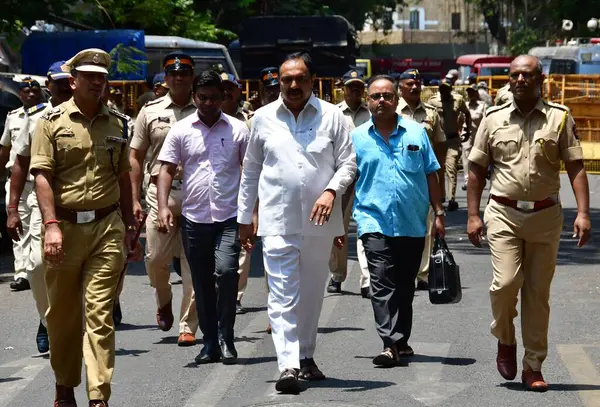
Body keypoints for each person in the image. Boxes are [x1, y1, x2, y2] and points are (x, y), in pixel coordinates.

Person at [467, 55, 591, 392]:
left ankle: (533, 365)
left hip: (546, 216)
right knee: (505, 284)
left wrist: (582, 212)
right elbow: (477, 169)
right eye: (515, 75)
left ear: (541, 78)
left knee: (538, 295)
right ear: (509, 79)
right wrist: (473, 214)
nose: (520, 80)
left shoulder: (559, 118)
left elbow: (576, 165)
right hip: (504, 213)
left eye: (527, 75)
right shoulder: (492, 119)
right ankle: (505, 339)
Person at [237, 52, 356, 393]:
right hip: (277, 220)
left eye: (299, 79)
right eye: (286, 79)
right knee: (283, 294)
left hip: (320, 222)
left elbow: (348, 164)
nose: (292, 85)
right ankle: (287, 365)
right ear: (278, 80)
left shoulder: (332, 117)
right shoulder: (261, 118)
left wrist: (332, 191)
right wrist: (245, 218)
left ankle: (306, 355)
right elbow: (251, 172)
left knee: (312, 293)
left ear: (312, 80)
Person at [29, 48, 136, 407]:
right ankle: (64, 384)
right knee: (61, 316)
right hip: (65, 228)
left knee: (99, 313)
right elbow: (42, 176)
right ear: (72, 81)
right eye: (88, 76)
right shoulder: (49, 122)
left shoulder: (119, 123)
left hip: (106, 227)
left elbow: (123, 178)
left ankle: (98, 396)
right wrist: (51, 226)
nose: (96, 82)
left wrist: (130, 225)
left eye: (101, 77)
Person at [157, 70, 249, 365]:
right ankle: (210, 342)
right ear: (195, 98)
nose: (208, 102)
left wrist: (253, 213)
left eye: (214, 97)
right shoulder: (181, 130)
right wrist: (162, 207)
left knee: (225, 272)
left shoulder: (238, 129)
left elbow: (249, 171)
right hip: (194, 219)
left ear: (224, 97)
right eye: (203, 97)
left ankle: (227, 338)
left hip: (229, 217)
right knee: (202, 283)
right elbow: (166, 170)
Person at [353, 74, 445, 366]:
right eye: (376, 96)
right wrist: (336, 225)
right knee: (381, 282)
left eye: (387, 96)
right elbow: (347, 180)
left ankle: (401, 340)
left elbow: (431, 173)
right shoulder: (356, 138)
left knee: (405, 286)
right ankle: (389, 343)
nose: (382, 101)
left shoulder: (417, 133)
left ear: (396, 100)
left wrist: (439, 212)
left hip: (412, 222)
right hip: (372, 221)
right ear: (368, 101)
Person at [130, 52, 198, 346]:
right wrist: (134, 199)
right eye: (173, 73)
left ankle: (188, 325)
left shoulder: (206, 108)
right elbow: (135, 156)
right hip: (161, 196)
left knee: (195, 262)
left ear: (192, 76)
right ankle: (164, 299)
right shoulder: (150, 111)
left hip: (198, 195)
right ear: (166, 78)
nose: (179, 77)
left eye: (184, 73)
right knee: (155, 259)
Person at [6, 62, 72, 354]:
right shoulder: (35, 119)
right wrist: (11, 208)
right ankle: (48, 321)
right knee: (36, 266)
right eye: (58, 81)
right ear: (49, 85)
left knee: (74, 267)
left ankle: (73, 321)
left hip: (79, 200)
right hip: (38, 201)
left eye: (69, 81)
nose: (64, 86)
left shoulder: (89, 115)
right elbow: (19, 162)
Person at [396, 69, 446, 291]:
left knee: (426, 228)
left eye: (417, 83)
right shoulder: (392, 111)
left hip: (424, 178)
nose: (415, 87)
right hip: (398, 177)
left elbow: (440, 146)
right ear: (400, 87)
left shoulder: (432, 113)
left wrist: (439, 182)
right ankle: (399, 269)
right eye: (410, 84)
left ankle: (423, 274)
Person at [236, 66, 280, 318]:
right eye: (270, 89)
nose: (274, 93)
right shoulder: (253, 121)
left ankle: (276, 305)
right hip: (256, 190)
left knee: (275, 250)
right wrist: (250, 207)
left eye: (277, 88)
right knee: (246, 246)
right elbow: (247, 164)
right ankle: (236, 296)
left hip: (279, 194)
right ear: (262, 92)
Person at [327, 68, 371, 298]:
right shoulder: (333, 114)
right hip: (342, 179)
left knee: (366, 226)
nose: (355, 90)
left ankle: (367, 279)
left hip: (366, 178)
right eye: (351, 86)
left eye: (359, 87)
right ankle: (337, 275)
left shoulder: (372, 113)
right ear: (342, 89)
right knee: (338, 228)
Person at [0, 77, 46, 292]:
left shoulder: (46, 115)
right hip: (16, 181)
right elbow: (5, 148)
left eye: (34, 91)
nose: (30, 94)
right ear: (20, 94)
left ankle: (34, 268)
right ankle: (21, 273)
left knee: (36, 228)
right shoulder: (13, 117)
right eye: (26, 91)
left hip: (39, 181)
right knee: (17, 226)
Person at [428, 79, 471, 211]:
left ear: (450, 90)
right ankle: (441, 196)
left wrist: (467, 130)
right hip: (439, 141)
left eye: (446, 89)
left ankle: (452, 199)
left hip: (453, 139)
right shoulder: (432, 101)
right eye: (441, 89)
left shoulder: (458, 100)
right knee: (438, 169)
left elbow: (467, 113)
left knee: (451, 167)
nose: (443, 92)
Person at [461, 84, 486, 191]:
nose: (471, 94)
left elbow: (485, 121)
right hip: (467, 134)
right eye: (469, 92)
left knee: (478, 157)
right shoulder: (465, 105)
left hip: (479, 135)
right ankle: (467, 181)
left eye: (473, 92)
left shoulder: (482, 106)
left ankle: (480, 178)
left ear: (476, 94)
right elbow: (459, 119)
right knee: (466, 155)